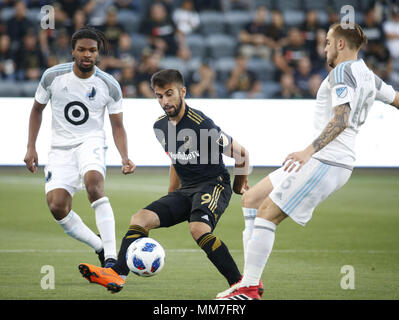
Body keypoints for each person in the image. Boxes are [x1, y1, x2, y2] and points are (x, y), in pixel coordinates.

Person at [217, 22, 399, 300]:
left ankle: (249, 289)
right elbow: (396, 99)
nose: (324, 47)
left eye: (327, 42)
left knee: (267, 213)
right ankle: (250, 278)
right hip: (328, 160)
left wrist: (307, 152)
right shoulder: (368, 75)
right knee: (252, 199)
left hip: (326, 160)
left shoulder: (342, 72)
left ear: (340, 44)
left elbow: (341, 119)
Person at [77, 69, 262, 295]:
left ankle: (241, 285)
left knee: (198, 228)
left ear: (182, 92)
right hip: (186, 191)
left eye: (169, 94)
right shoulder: (160, 127)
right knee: (141, 219)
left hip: (213, 184)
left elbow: (242, 154)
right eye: (159, 96)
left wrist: (236, 186)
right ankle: (117, 273)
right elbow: (175, 160)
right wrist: (171, 196)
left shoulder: (202, 125)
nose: (165, 101)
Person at [23, 26, 136, 269]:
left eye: (92, 50)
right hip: (60, 148)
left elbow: (117, 126)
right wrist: (31, 147)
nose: (87, 54)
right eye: (82, 49)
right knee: (57, 207)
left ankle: (112, 259)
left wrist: (125, 156)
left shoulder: (109, 85)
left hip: (91, 142)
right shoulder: (52, 76)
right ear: (73, 51)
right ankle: (99, 246)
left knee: (94, 185)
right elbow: (36, 110)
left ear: (98, 53)